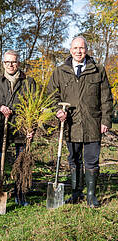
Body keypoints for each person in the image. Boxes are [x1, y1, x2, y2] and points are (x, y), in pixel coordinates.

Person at [47, 36, 113, 208]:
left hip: (93, 122)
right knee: (74, 159)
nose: (78, 51)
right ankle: (76, 193)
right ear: (70, 50)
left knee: (92, 160)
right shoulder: (60, 72)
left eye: (82, 48)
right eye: (75, 48)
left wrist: (106, 119)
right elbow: (51, 96)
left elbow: (106, 98)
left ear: (86, 50)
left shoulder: (97, 69)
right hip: (70, 124)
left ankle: (91, 196)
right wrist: (57, 111)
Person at [0, 50, 35, 211]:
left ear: (19, 63)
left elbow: (35, 107)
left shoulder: (28, 82)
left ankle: (20, 195)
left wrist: (32, 129)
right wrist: (0, 107)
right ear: (3, 63)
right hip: (1, 129)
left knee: (21, 164)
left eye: (14, 61)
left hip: (21, 130)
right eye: (7, 62)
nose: (10, 65)